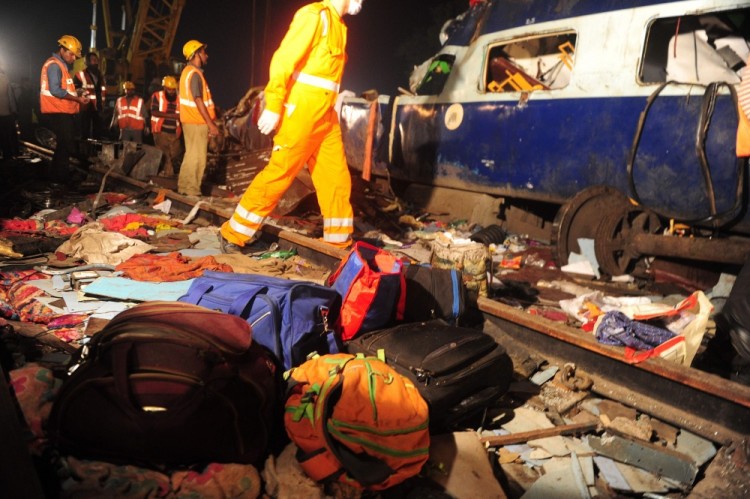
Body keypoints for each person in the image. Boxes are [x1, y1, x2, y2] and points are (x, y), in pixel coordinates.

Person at [220, 0, 364, 252]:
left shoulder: (338, 25)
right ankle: (234, 233)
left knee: (336, 177)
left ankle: (338, 242)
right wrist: (274, 104)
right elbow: (283, 60)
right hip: (303, 110)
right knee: (281, 171)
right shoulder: (314, 16)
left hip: (325, 113)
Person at [39, 35, 90, 184]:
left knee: (62, 145)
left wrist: (78, 93)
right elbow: (55, 90)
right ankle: (61, 178)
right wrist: (77, 99)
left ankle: (55, 177)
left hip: (61, 111)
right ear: (62, 49)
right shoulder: (55, 65)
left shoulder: (61, 66)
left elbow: (64, 90)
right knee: (67, 146)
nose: (74, 58)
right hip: (58, 112)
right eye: (71, 54)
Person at [177, 39, 218, 197]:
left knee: (191, 154)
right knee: (198, 157)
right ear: (196, 54)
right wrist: (211, 124)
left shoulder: (187, 73)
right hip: (196, 121)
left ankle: (185, 187)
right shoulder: (194, 74)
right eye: (203, 52)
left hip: (191, 120)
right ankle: (191, 190)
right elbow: (198, 99)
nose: (206, 55)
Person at [150, 75, 182, 176]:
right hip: (160, 131)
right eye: (169, 89)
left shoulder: (179, 98)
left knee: (175, 154)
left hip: (175, 132)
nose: (171, 92)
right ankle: (167, 176)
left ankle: (166, 173)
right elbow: (154, 112)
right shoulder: (157, 96)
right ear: (164, 88)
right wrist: (172, 116)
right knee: (165, 155)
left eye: (173, 89)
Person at [74, 51, 107, 140]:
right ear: (87, 62)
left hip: (98, 107)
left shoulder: (101, 75)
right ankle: (84, 150)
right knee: (84, 131)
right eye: (93, 60)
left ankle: (96, 151)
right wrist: (82, 94)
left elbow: (102, 91)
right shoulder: (80, 74)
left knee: (98, 132)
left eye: (96, 60)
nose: (95, 61)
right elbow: (75, 89)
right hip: (85, 107)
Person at [0, 62, 19, 161]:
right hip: (7, 113)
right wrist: (14, 110)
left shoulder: (5, 78)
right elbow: (11, 97)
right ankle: (9, 154)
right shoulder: (5, 78)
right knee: (8, 135)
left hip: (4, 113)